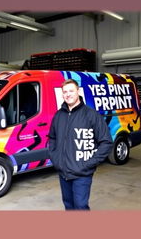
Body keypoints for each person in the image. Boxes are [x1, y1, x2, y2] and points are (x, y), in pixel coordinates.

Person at [48, 79, 113, 210]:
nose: (68, 94)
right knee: (68, 205)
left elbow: (106, 142)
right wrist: (56, 159)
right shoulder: (58, 115)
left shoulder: (91, 115)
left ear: (78, 91)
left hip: (82, 173)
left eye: (71, 91)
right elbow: (52, 138)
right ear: (62, 94)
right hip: (63, 172)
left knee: (80, 206)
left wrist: (89, 163)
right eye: (65, 92)